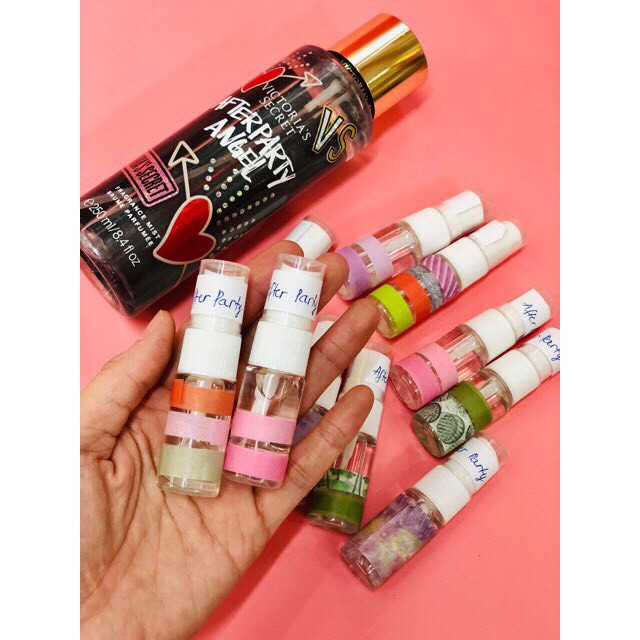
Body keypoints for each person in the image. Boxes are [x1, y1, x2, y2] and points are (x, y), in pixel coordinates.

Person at [80, 241, 380, 639]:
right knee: (211, 403)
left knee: (255, 404)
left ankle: (245, 463)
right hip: (207, 374)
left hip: (261, 365)